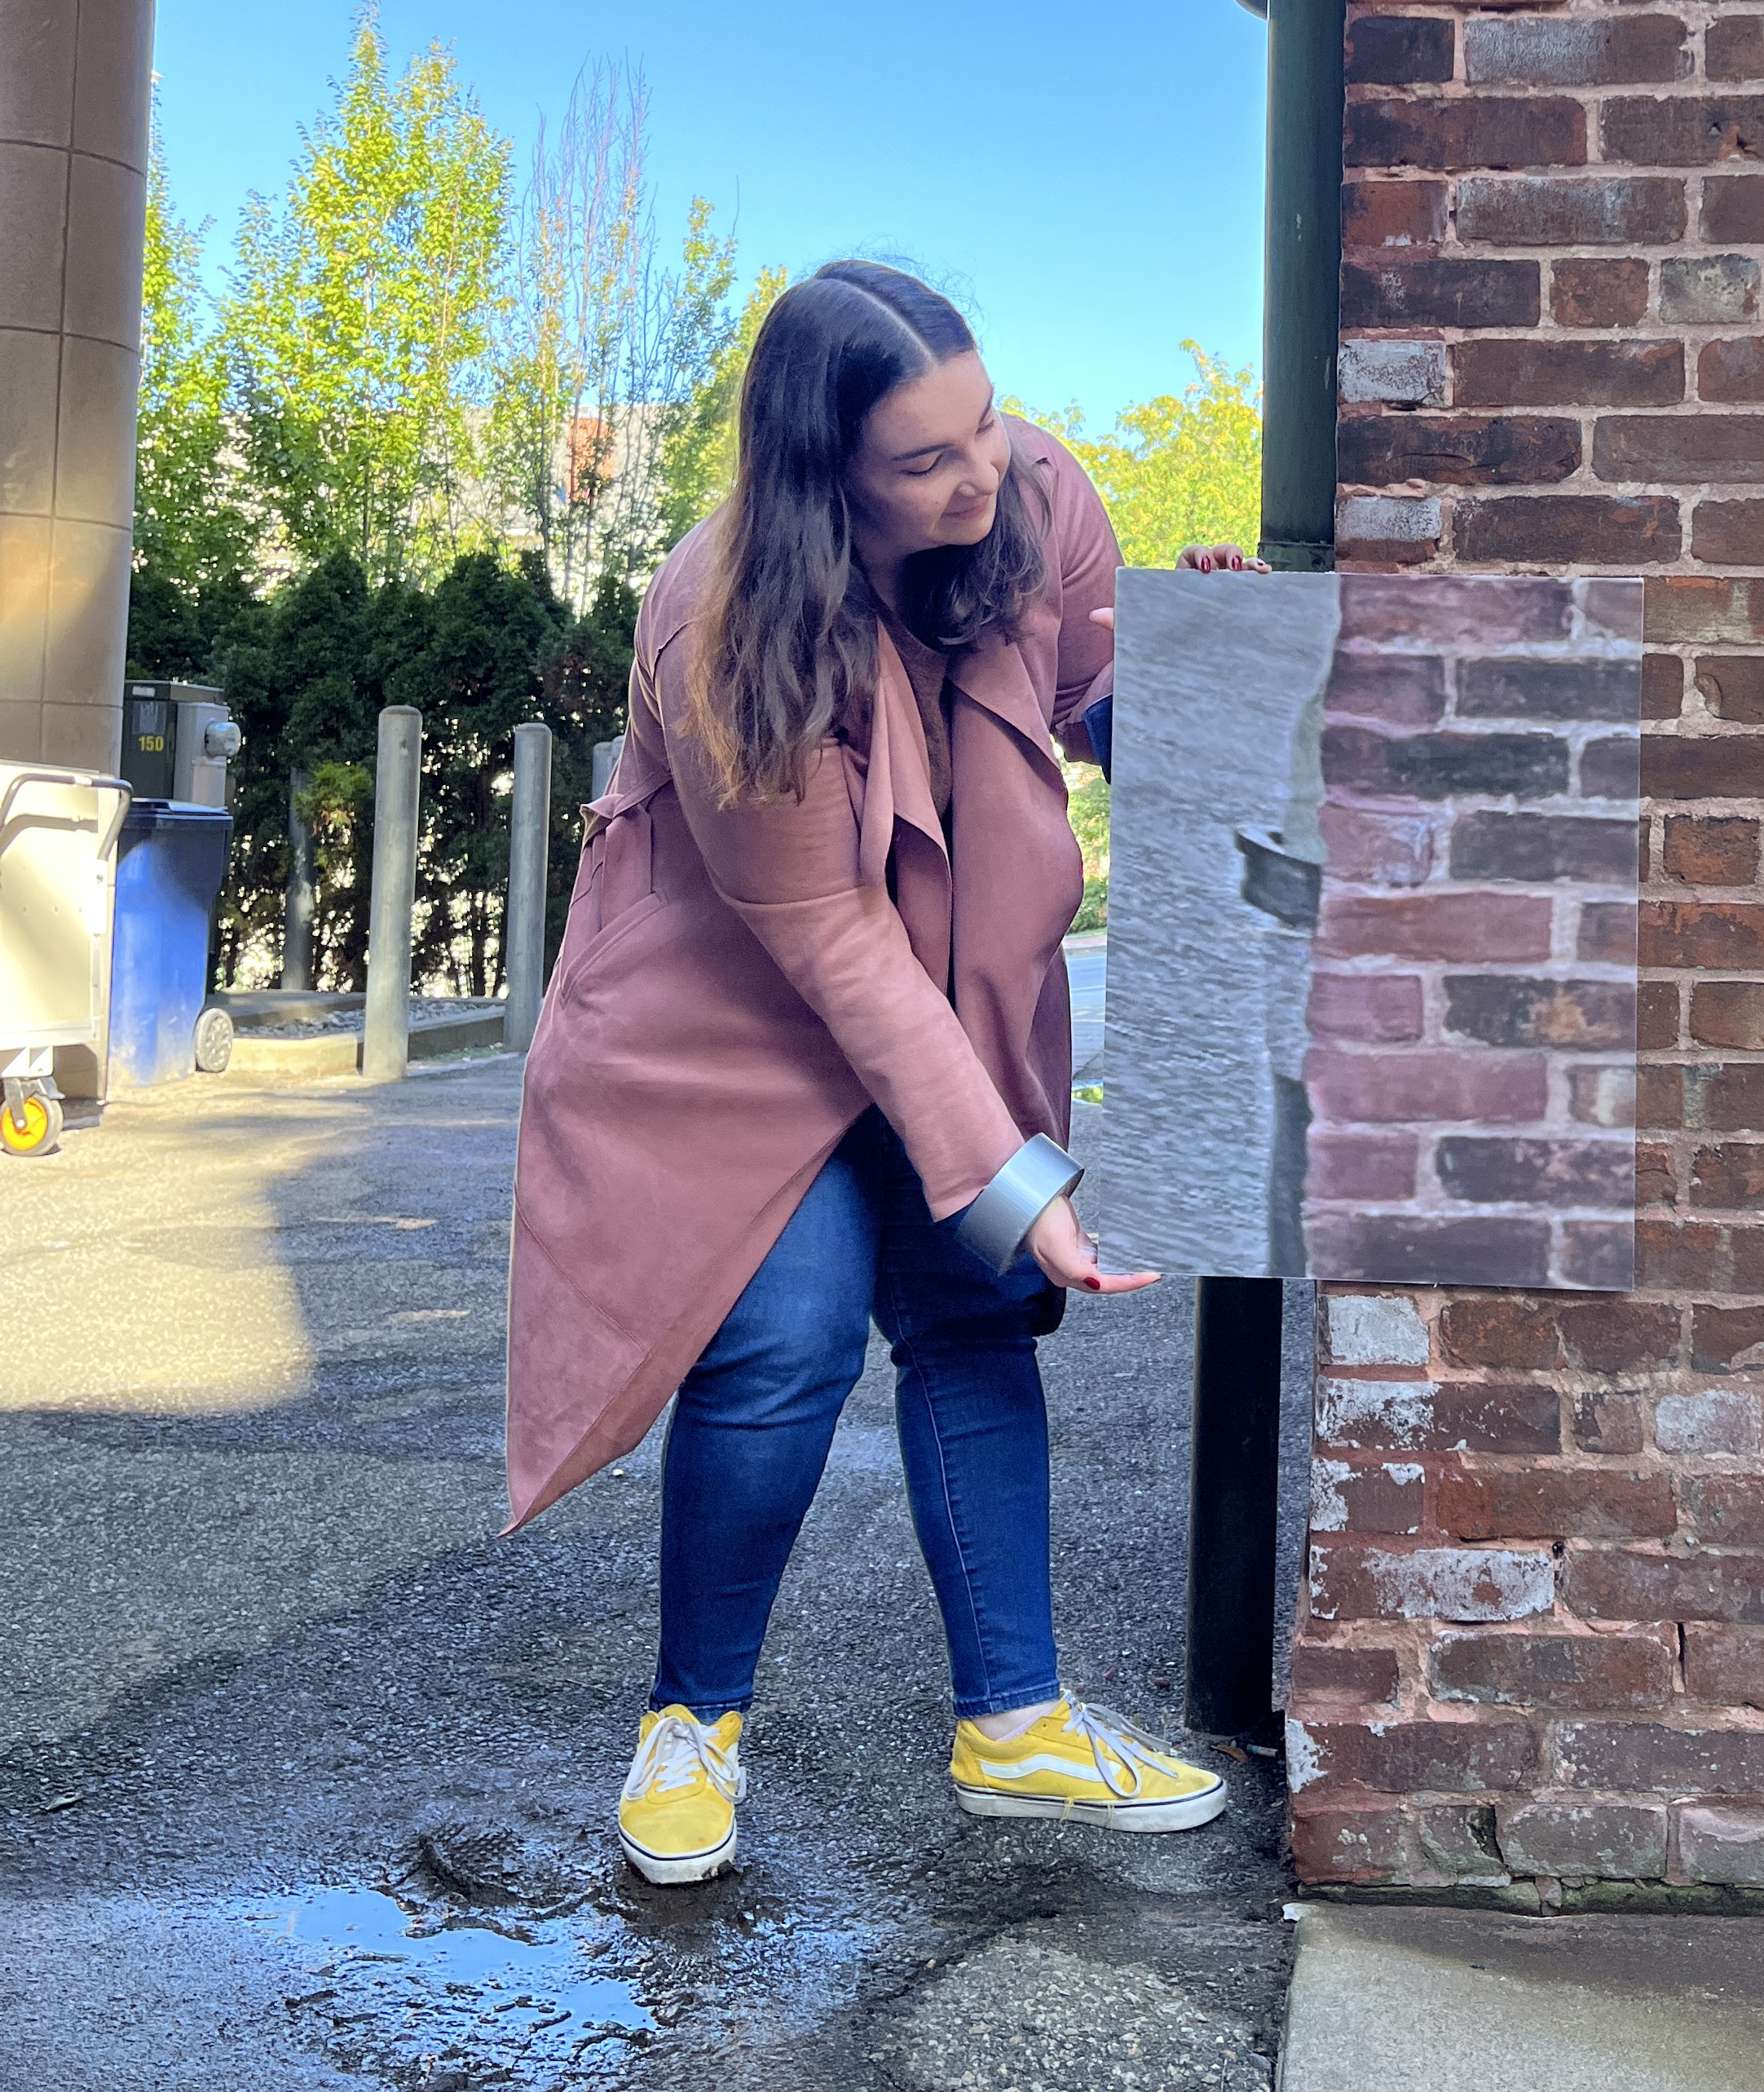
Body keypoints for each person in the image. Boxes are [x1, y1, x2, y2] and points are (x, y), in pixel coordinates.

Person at [504, 258, 1260, 1884]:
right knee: (780, 1339)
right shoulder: (728, 618)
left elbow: (1091, 703)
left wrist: (1216, 653)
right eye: (927, 460)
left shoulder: (1037, 493)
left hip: (948, 981)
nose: (978, 473)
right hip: (734, 1024)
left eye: (980, 424)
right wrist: (1018, 1181)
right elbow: (833, 940)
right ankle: (691, 1722)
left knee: (975, 1319)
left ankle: (1019, 1722)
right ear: (823, 469)